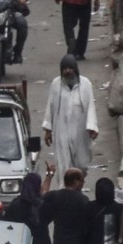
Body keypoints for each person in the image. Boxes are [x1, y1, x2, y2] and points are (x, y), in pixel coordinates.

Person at [43, 55, 99, 189]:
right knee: (64, 165)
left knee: (82, 165)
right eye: (65, 69)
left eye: (70, 68)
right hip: (61, 132)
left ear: (76, 69)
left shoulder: (86, 84)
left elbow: (91, 106)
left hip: (81, 133)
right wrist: (48, 130)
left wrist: (92, 127)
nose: (68, 71)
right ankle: (64, 193)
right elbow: (50, 106)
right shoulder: (56, 84)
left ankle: (76, 189)